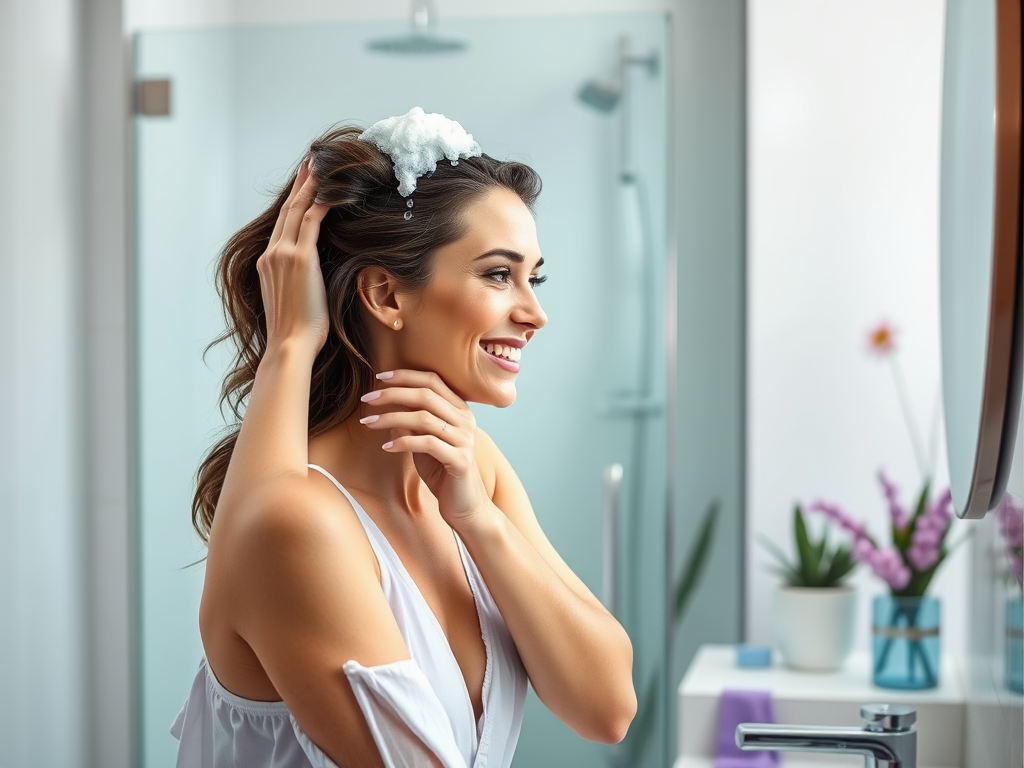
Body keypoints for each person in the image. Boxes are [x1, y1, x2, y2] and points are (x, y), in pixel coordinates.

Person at [171, 109, 636, 768]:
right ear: (386, 294)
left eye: (535, 277)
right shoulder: (300, 523)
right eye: (499, 274)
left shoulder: (472, 468)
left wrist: (479, 521)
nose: (535, 312)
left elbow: (607, 706)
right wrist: (292, 346)